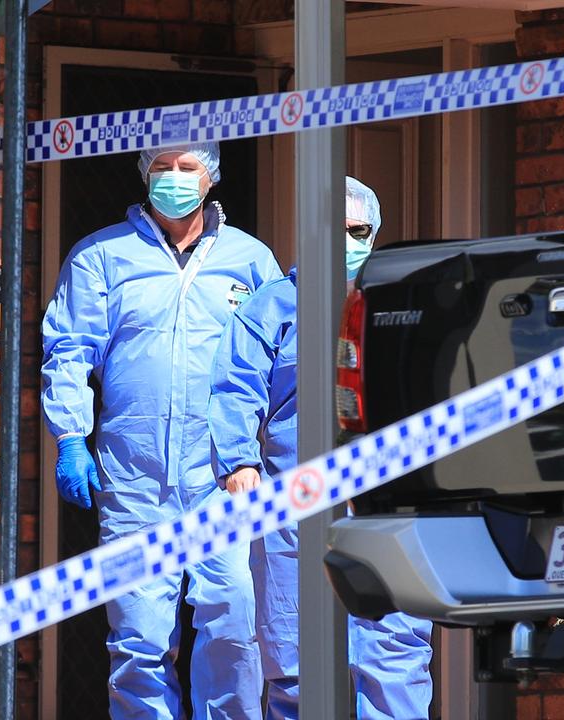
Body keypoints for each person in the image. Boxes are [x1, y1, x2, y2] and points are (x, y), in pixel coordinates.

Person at [41, 141, 281, 719]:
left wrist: (268, 454)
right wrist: (72, 436)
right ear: (143, 173)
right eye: (162, 167)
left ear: (211, 176)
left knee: (232, 631)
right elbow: (68, 350)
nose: (174, 177)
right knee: (139, 643)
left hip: (225, 476)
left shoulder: (250, 260)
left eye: (188, 166)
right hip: (135, 479)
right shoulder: (101, 256)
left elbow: (281, 361)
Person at [208, 177, 434, 720]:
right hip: (295, 509)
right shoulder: (271, 308)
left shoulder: (403, 303)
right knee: (295, 662)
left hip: (387, 503)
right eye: (339, 230)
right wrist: (239, 461)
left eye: (360, 231)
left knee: (394, 653)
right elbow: (235, 386)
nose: (350, 241)